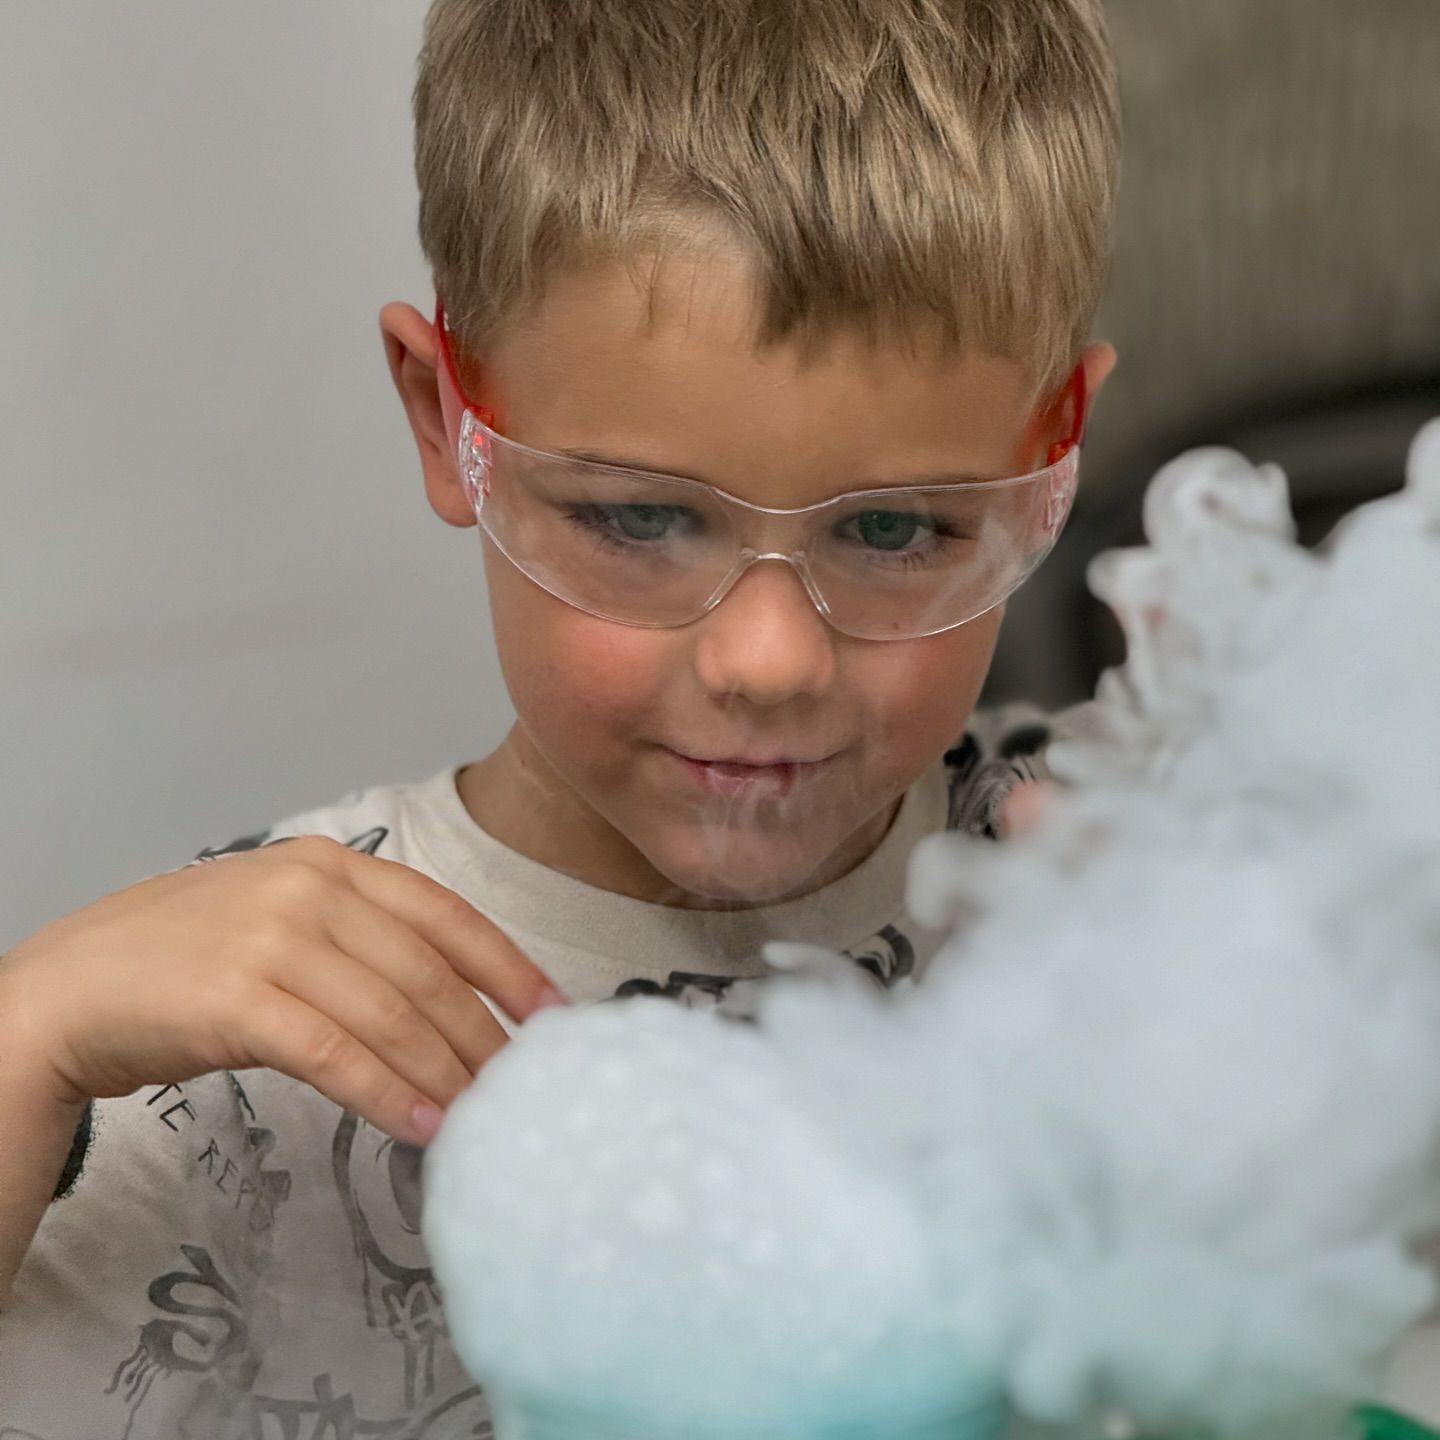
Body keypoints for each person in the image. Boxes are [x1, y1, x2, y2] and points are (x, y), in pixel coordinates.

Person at [0, 0, 1121, 1433]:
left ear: (1056, 457)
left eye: (897, 529)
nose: (770, 660)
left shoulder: (1134, 888)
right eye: (639, 516)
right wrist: (23, 1045)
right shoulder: (245, 1039)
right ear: (444, 421)